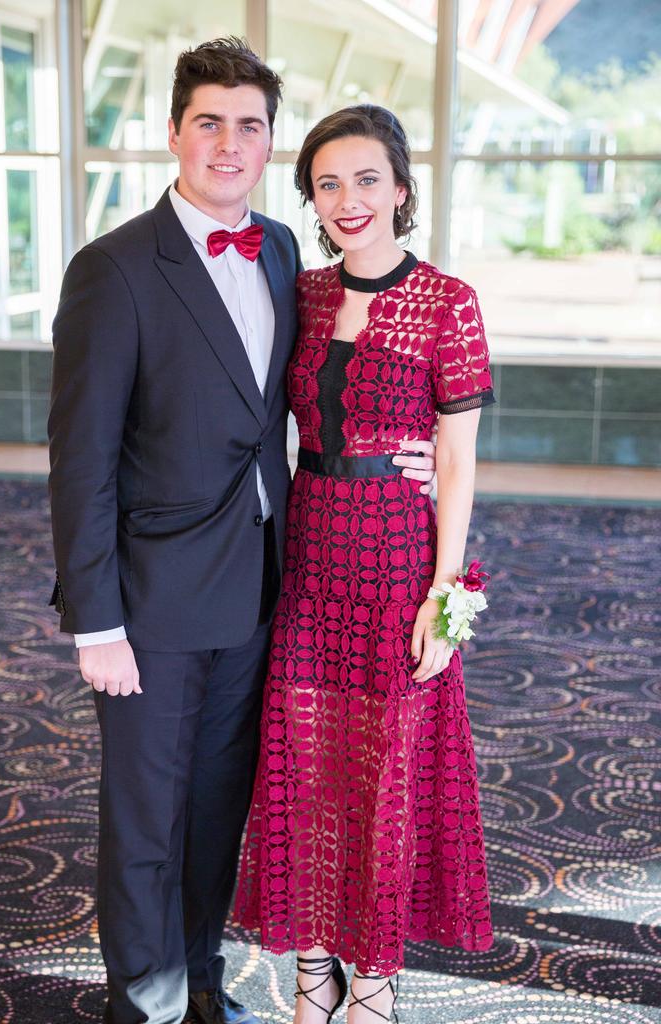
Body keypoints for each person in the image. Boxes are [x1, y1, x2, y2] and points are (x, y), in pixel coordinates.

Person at [47, 41, 435, 1024]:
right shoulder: (114, 269)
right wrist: (96, 621)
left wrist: (410, 449)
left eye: (250, 125)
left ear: (269, 143)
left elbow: (329, 385)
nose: (229, 143)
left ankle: (201, 986)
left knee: (219, 813)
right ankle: (147, 1003)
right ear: (173, 132)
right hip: (150, 603)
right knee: (146, 821)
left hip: (265, 590)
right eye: (208, 121)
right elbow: (80, 457)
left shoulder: (281, 253)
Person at [233, 105, 495, 1024]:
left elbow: (457, 461)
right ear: (310, 196)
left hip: (396, 554)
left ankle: (374, 977)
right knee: (304, 758)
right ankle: (314, 974)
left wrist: (445, 596)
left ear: (402, 188)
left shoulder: (447, 301)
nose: (348, 200)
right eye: (329, 183)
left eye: (367, 179)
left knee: (384, 767)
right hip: (307, 549)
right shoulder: (301, 291)